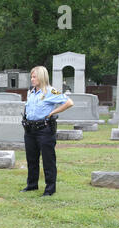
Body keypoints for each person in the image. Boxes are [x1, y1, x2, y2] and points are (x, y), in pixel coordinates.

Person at [21, 66, 74, 197]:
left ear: (41, 77)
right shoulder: (31, 92)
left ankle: (50, 189)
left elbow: (69, 102)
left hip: (44, 130)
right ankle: (32, 185)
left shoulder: (50, 91)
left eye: (34, 77)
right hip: (30, 130)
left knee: (48, 160)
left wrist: (53, 112)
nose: (32, 79)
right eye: (31, 77)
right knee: (31, 159)